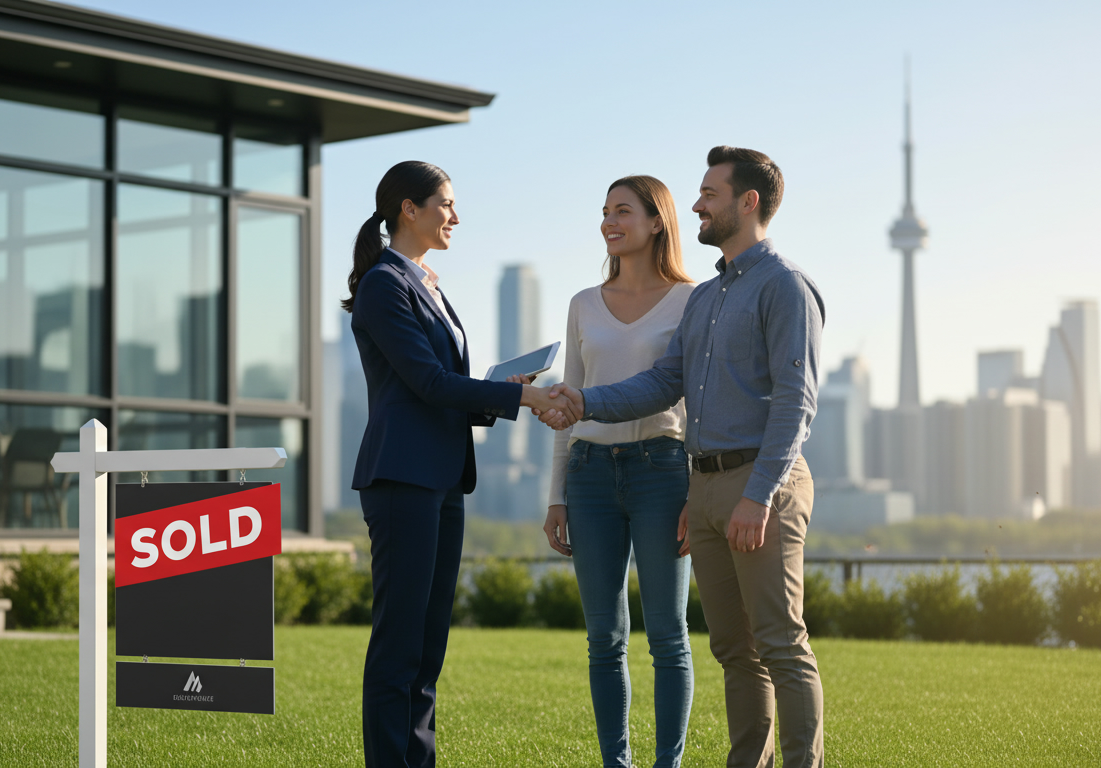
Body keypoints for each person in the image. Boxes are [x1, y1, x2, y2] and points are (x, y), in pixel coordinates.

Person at [540, 147, 827, 768]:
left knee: (780, 643)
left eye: (710, 194)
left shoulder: (785, 286)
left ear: (748, 203)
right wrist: (582, 400)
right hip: (702, 483)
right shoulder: (708, 298)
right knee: (733, 648)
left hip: (760, 482)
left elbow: (795, 402)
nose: (697, 203)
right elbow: (660, 383)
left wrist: (758, 494)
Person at [345, 160, 577, 768]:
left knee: (427, 647)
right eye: (445, 203)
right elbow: (425, 381)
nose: (455, 215)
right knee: (399, 646)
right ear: (408, 209)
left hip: (442, 476)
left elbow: (441, 387)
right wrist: (520, 396)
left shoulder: (426, 283)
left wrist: (501, 388)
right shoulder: (384, 284)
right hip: (402, 479)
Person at [523, 175, 698, 768]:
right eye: (604, 212)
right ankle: (614, 763)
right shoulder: (582, 303)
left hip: (662, 472)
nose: (609, 222)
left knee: (669, 638)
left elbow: (694, 405)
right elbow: (567, 404)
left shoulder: (690, 300)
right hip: (590, 476)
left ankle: (666, 763)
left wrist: (695, 495)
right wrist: (557, 496)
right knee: (605, 639)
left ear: (657, 221)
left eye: (623, 211)